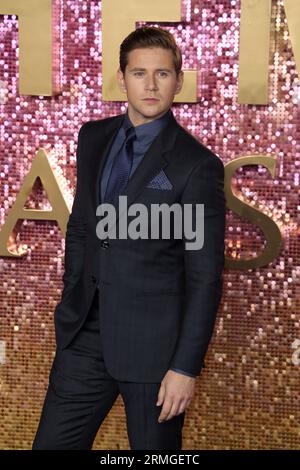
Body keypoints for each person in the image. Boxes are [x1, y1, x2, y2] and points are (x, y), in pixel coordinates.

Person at [32, 26, 225, 450]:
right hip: (84, 338)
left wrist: (185, 368)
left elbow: (204, 278)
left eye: (162, 74)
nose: (151, 85)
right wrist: (73, 296)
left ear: (177, 80)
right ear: (122, 78)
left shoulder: (197, 165)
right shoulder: (92, 137)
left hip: (155, 354)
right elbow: (82, 227)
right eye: (139, 73)